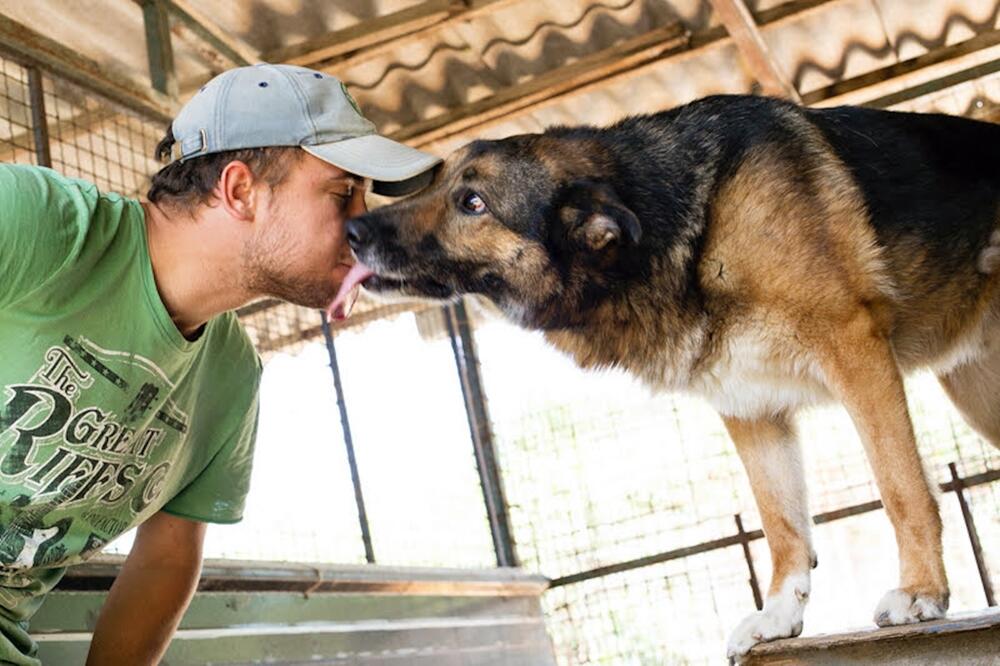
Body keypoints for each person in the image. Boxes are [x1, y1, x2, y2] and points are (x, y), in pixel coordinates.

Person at [0, 63, 440, 665]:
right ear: (239, 190)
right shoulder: (35, 221)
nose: (364, 223)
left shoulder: (231, 375)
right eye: (343, 193)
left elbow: (168, 555)